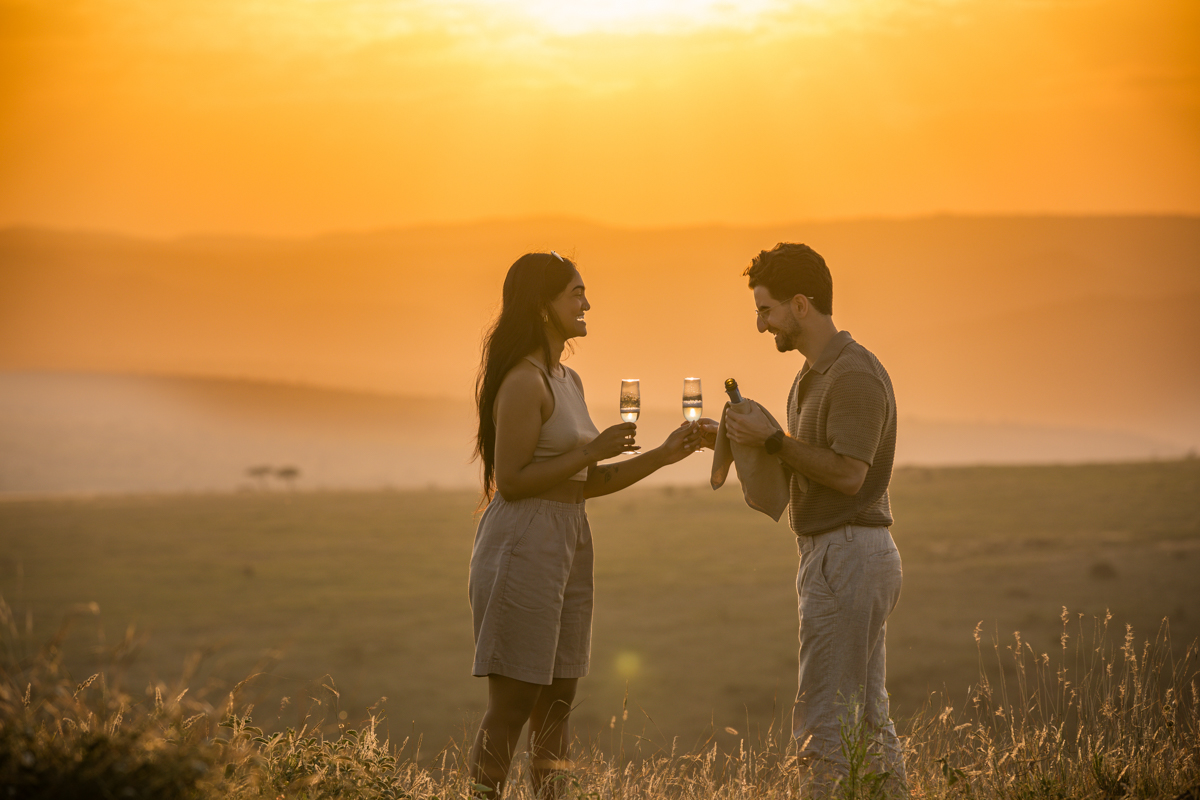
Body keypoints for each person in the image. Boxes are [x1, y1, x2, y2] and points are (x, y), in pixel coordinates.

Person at [469, 251, 702, 799]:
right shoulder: (524, 381)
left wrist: (664, 455)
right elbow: (512, 479)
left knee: (556, 705)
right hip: (522, 542)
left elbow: (588, 483)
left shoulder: (566, 378)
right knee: (513, 706)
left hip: (569, 538)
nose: (586, 302)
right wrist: (590, 451)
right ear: (543, 307)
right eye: (575, 292)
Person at [706, 243, 906, 794]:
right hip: (838, 554)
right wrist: (734, 441)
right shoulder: (810, 377)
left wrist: (773, 439)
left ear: (800, 305)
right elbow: (800, 459)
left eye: (764, 310)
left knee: (823, 721)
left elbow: (847, 476)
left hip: (848, 554)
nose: (760, 324)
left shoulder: (855, 377)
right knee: (866, 718)